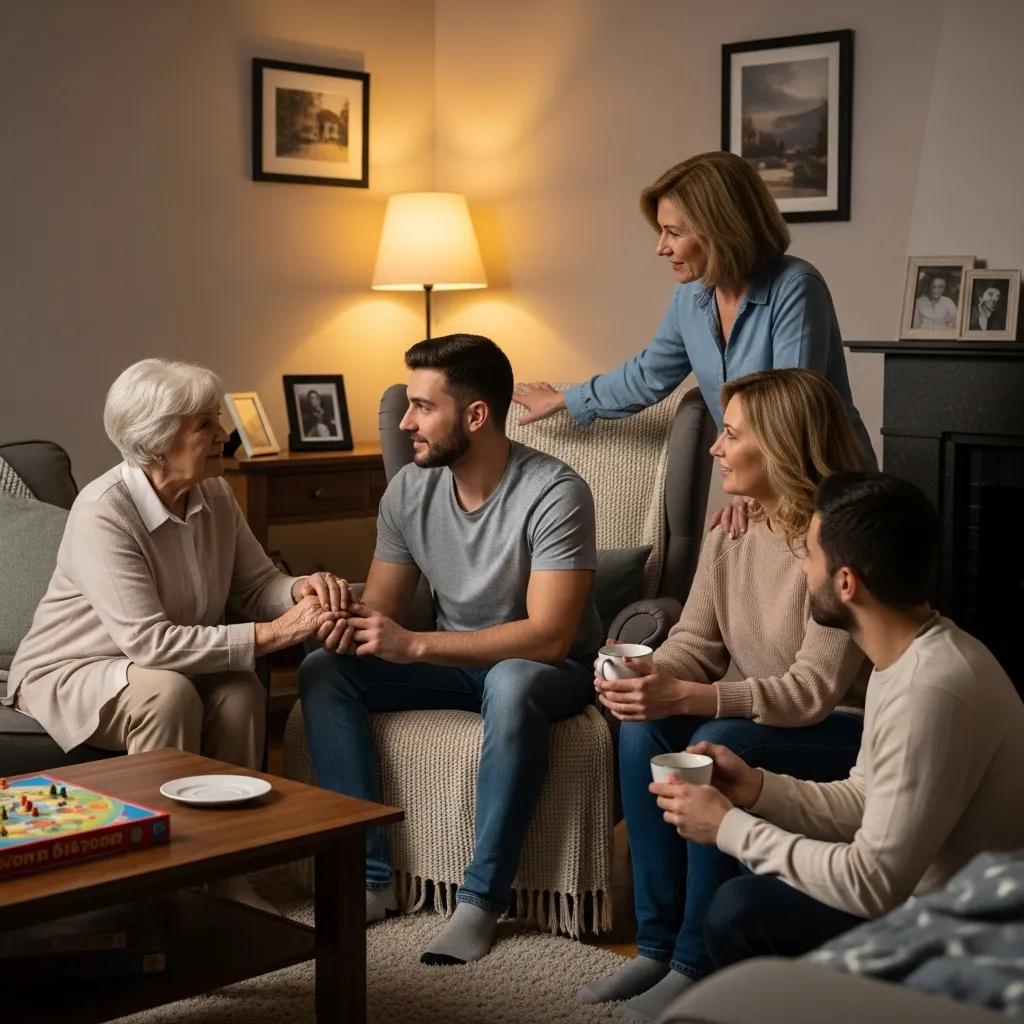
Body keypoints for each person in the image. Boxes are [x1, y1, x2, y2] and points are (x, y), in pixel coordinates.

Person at [298, 334, 603, 965]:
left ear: (475, 416)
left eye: (421, 406)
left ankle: (480, 901)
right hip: (453, 663)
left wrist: (412, 645)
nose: (405, 422)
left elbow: (549, 635)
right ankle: (369, 879)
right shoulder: (410, 489)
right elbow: (382, 606)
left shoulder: (555, 492)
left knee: (513, 681)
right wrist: (339, 619)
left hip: (549, 668)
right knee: (327, 669)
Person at [578, 368, 869, 1022]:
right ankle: (656, 945)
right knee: (641, 726)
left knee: (716, 744)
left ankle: (694, 962)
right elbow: (696, 641)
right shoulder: (733, 527)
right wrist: (652, 678)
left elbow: (813, 691)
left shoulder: (835, 542)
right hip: (764, 716)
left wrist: (693, 698)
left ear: (780, 446)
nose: (715, 446)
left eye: (731, 434)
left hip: (843, 727)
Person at [4, 359, 346, 905]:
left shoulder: (216, 496)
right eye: (205, 425)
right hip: (75, 669)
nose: (223, 434)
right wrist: (275, 635)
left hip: (168, 661)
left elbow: (259, 585)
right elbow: (149, 644)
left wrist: (304, 589)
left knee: (238, 692)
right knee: (168, 694)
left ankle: (229, 874)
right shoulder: (103, 512)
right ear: (157, 442)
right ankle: (164, 884)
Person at [653, 472, 1024, 972]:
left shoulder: (930, 691)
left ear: (845, 583)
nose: (803, 569)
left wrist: (726, 827)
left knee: (740, 909)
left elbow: (872, 884)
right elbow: (866, 798)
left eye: (808, 555)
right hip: (919, 902)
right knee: (760, 858)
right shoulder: (914, 656)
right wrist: (756, 791)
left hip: (959, 933)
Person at [512, 150, 875, 535]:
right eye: (661, 231)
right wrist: (565, 400)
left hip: (829, 492)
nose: (661, 247)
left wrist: (752, 494)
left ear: (720, 228)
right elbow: (649, 373)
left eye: (674, 232)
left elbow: (787, 411)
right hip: (764, 492)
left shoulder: (797, 287)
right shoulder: (691, 298)